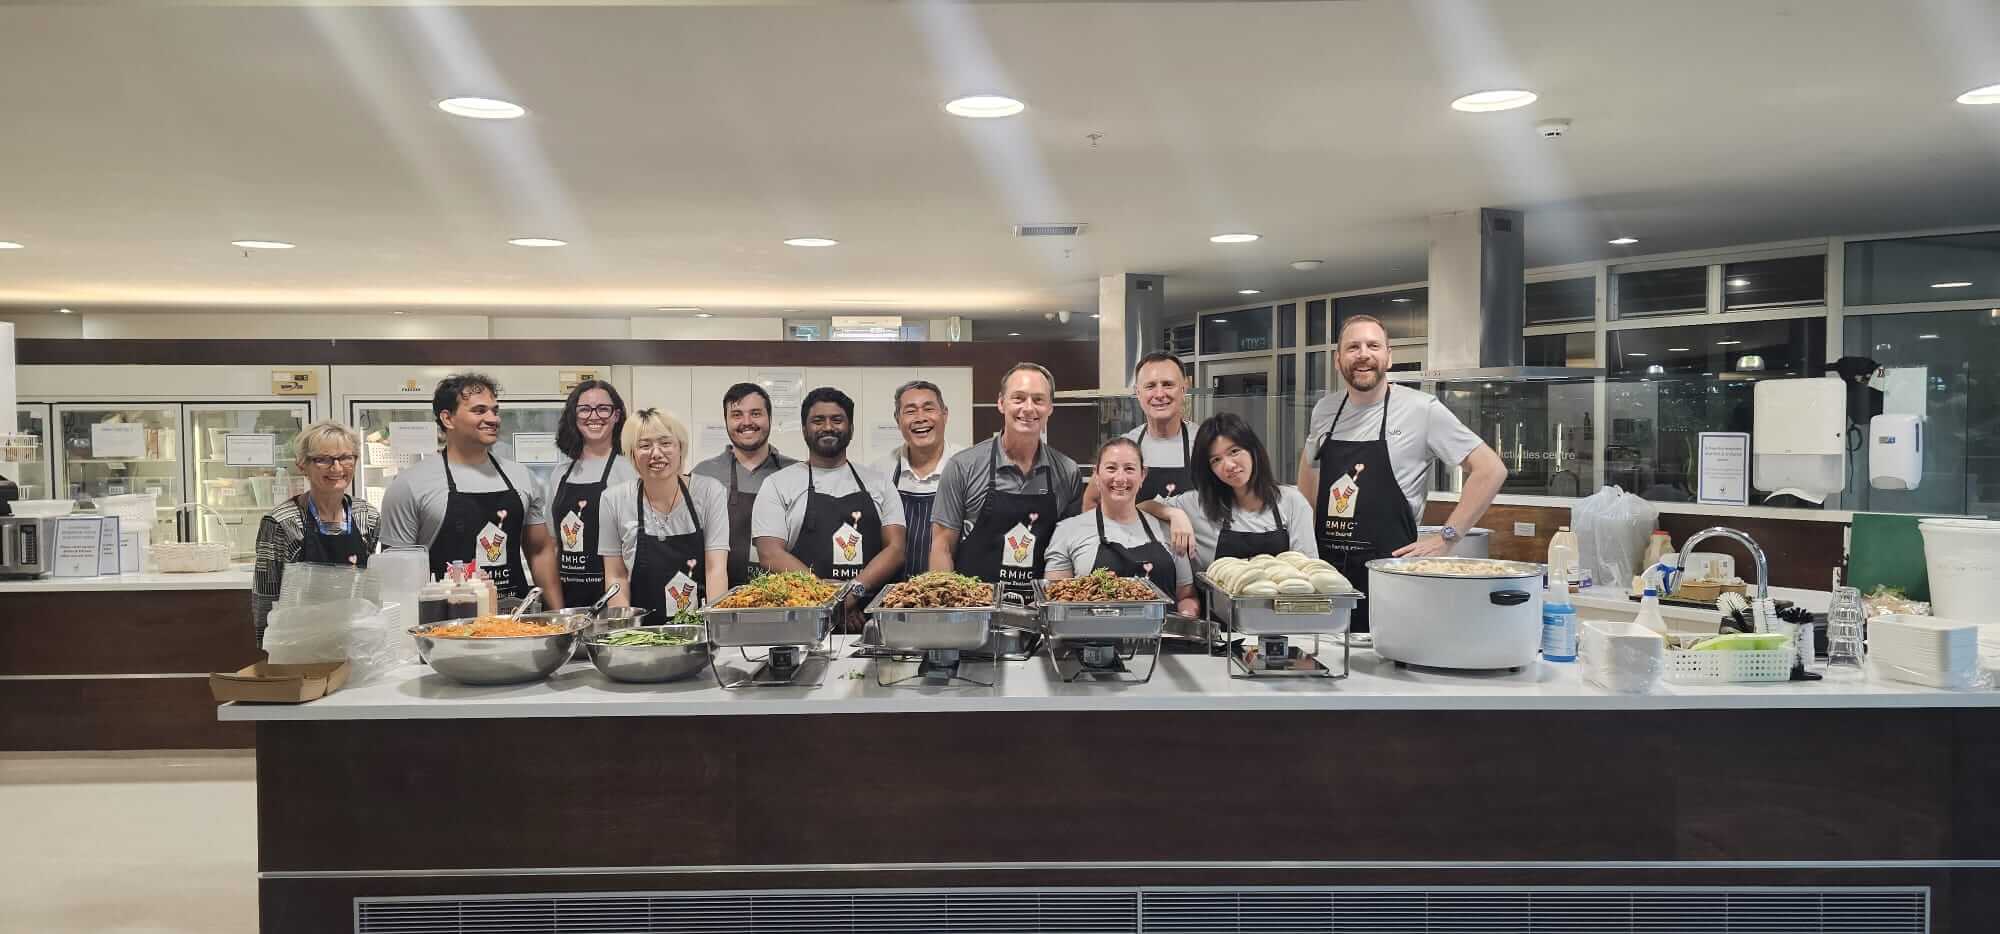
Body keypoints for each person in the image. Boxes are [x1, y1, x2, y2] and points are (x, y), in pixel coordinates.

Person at [1297, 315, 1506, 633]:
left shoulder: (1422, 409)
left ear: (1388, 357)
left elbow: (1490, 469)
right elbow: (1311, 467)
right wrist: (1303, 540)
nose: (1363, 354)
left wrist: (1447, 537)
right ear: (1338, 361)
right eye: (1353, 347)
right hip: (1326, 575)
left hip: (1389, 575)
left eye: (1373, 345)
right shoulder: (1325, 410)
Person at [380, 373, 563, 606]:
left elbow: (539, 551)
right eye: (479, 411)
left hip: (515, 625)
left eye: (494, 411)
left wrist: (559, 617)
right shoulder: (409, 485)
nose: (493, 419)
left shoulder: (521, 477)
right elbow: (396, 579)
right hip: (444, 628)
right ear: (448, 419)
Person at [751, 387, 906, 629]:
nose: (828, 427)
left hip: (870, 622)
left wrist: (853, 593)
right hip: (803, 620)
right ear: (804, 429)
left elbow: (896, 548)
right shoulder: (777, 485)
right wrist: (828, 599)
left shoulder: (879, 483)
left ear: (851, 428)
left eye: (837, 420)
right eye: (817, 420)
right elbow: (770, 554)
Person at [929, 362, 1084, 593]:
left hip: (1039, 611)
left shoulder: (1068, 471)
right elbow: (942, 547)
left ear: (1050, 407)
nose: (1029, 408)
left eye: (1038, 400)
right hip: (977, 612)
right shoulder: (963, 467)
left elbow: (1069, 551)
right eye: (1018, 398)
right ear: (1001, 403)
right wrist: (948, 608)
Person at [251, 421, 380, 647]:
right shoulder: (283, 522)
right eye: (323, 459)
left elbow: (367, 588)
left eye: (346, 458)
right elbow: (266, 596)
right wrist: (270, 653)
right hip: (300, 646)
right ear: (302, 465)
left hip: (355, 642)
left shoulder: (366, 516)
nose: (337, 468)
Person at [599, 408, 731, 619]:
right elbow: (617, 575)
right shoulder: (613, 500)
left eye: (665, 443)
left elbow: (715, 569)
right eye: (644, 445)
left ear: (680, 448)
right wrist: (622, 632)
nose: (656, 453)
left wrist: (715, 628)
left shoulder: (709, 492)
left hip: (698, 629)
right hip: (641, 632)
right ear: (632, 453)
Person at [1044, 439, 1200, 618]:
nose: (1120, 478)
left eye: (1129, 469)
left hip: (1163, 643)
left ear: (1143, 475)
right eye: (1111, 468)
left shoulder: (1168, 530)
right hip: (1092, 643)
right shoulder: (1067, 530)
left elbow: (1186, 596)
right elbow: (1055, 602)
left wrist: (1186, 619)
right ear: (1096, 474)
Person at [1140, 412, 1317, 569]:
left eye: (1234, 451)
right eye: (1216, 460)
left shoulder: (1292, 501)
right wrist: (1174, 515)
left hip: (1283, 605)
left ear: (1253, 450)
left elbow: (1308, 572)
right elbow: (1142, 507)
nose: (1229, 466)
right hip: (1215, 605)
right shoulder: (1198, 503)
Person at [691, 382, 799, 589]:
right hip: (722, 594)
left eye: (756, 413)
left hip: (788, 599)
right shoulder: (703, 474)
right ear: (726, 421)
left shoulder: (796, 473)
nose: (746, 422)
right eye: (737, 415)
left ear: (770, 418)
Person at [542, 380, 639, 610]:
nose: (593, 416)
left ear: (616, 416)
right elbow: (553, 543)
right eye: (584, 409)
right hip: (567, 600)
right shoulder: (560, 473)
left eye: (603, 408)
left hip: (616, 597)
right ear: (573, 416)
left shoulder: (631, 470)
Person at [870, 379, 962, 582]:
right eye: (910, 411)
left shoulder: (966, 466)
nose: (920, 418)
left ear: (944, 414)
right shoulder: (879, 472)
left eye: (928, 409)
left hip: (955, 595)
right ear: (897, 419)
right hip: (893, 598)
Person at [1084, 351, 1196, 508]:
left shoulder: (1203, 443)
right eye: (1150, 386)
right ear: (1138, 392)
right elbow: (1092, 499)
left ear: (1184, 388)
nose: (1159, 394)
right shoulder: (1126, 445)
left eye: (1168, 384)